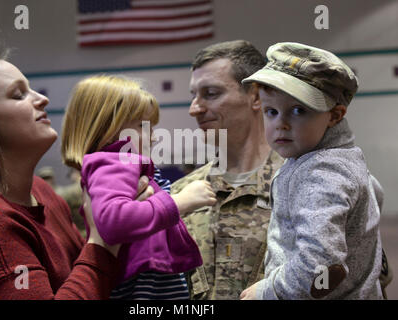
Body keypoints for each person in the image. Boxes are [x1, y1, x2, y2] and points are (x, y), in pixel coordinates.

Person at [0, 50, 152, 299]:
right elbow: (95, 261)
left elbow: (91, 276)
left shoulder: (41, 191)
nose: (42, 99)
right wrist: (103, 240)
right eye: (18, 95)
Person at [240, 42, 383, 299]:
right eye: (270, 111)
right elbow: (376, 195)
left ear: (335, 116)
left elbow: (321, 268)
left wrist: (270, 291)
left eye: (298, 110)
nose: (280, 124)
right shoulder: (341, 159)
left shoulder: (322, 173)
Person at [60, 75, 217, 299]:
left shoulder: (123, 166)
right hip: (142, 289)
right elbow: (114, 220)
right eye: (144, 126)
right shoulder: (114, 162)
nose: (153, 138)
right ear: (109, 127)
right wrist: (180, 202)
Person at [170, 40, 284, 299]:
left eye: (211, 94)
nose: (194, 109)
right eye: (194, 95)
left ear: (256, 96)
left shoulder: (306, 186)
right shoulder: (181, 195)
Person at [57, 168, 86, 237]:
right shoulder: (93, 187)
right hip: (97, 234)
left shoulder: (66, 193)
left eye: (70, 175)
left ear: (75, 173)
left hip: (79, 235)